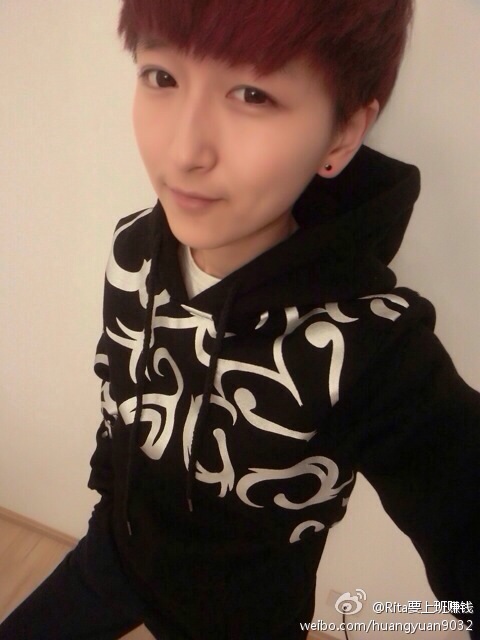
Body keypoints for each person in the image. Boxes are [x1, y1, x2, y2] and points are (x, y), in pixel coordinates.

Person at [1, 1, 478, 638]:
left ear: (341, 134)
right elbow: (120, 398)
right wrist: (110, 492)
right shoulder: (133, 248)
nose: (183, 151)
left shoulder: (370, 346)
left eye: (252, 94)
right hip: (115, 553)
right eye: (161, 77)